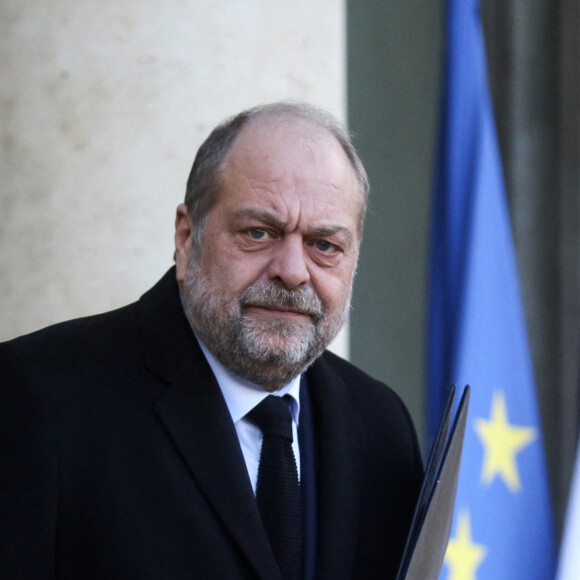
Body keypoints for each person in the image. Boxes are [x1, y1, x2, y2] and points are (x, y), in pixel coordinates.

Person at [0, 102, 423, 579]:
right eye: (259, 232)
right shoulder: (37, 398)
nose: (292, 271)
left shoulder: (382, 427)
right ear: (186, 238)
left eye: (324, 245)